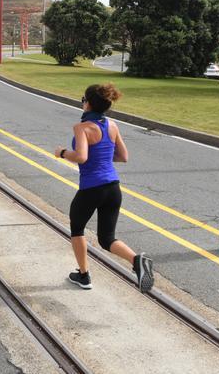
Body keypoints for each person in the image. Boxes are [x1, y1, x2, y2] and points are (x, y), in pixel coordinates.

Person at [54, 84, 154, 293]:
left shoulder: (82, 128)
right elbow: (123, 156)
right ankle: (136, 260)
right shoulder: (112, 125)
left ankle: (83, 275)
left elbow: (81, 156)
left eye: (83, 99)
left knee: (77, 228)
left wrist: (62, 152)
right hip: (113, 188)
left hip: (91, 188)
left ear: (88, 103)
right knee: (107, 238)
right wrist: (102, 157)